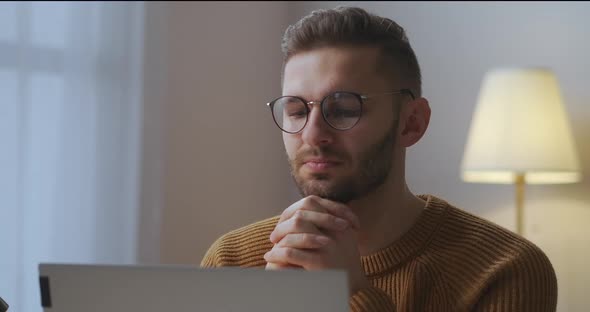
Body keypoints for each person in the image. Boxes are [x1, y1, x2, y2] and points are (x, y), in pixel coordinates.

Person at [201, 6, 557, 311]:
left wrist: (350, 294)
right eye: (296, 110)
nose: (312, 134)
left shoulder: (504, 270)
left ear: (411, 123)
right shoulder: (232, 260)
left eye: (342, 109)